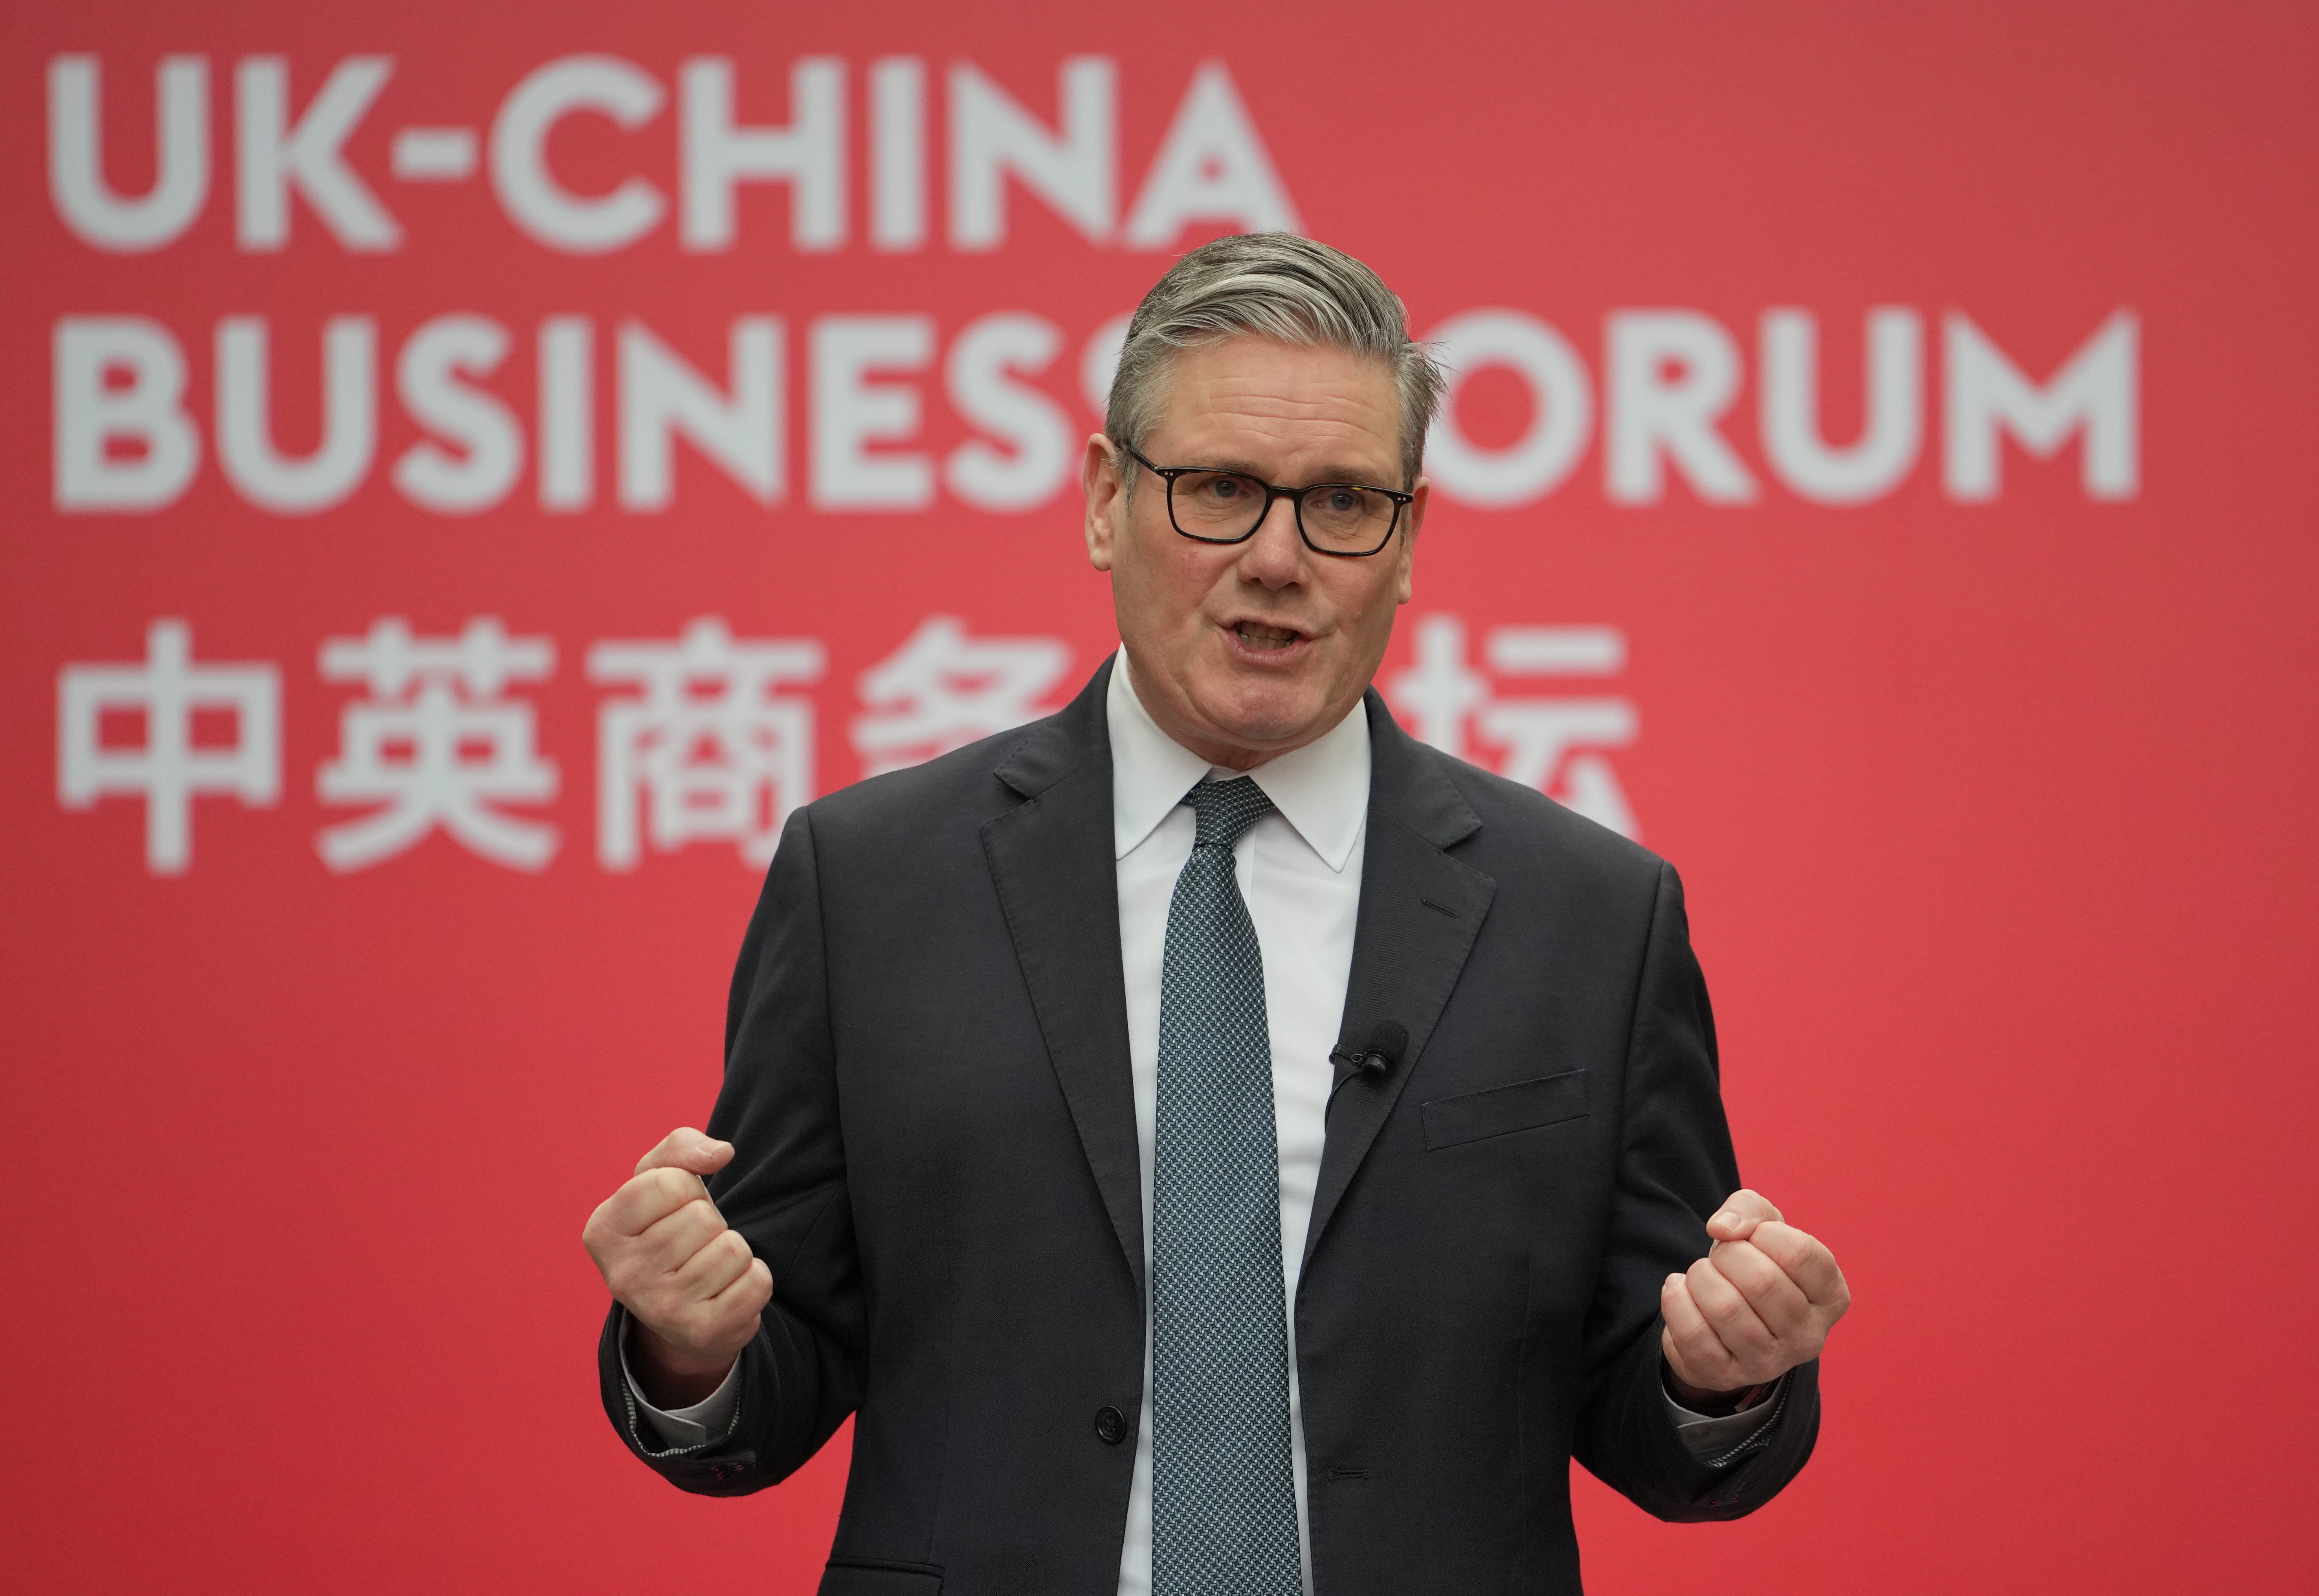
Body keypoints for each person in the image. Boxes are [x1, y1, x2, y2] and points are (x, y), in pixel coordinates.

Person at [582, 233, 1850, 1596]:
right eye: (1224, 490)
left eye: (1345, 503)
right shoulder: (873, 881)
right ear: (1103, 500)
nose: (1279, 557)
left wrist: (1721, 1378)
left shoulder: (1590, 916)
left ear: (1408, 541)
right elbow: (767, 1388)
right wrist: (690, 1347)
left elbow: (1655, 1420)